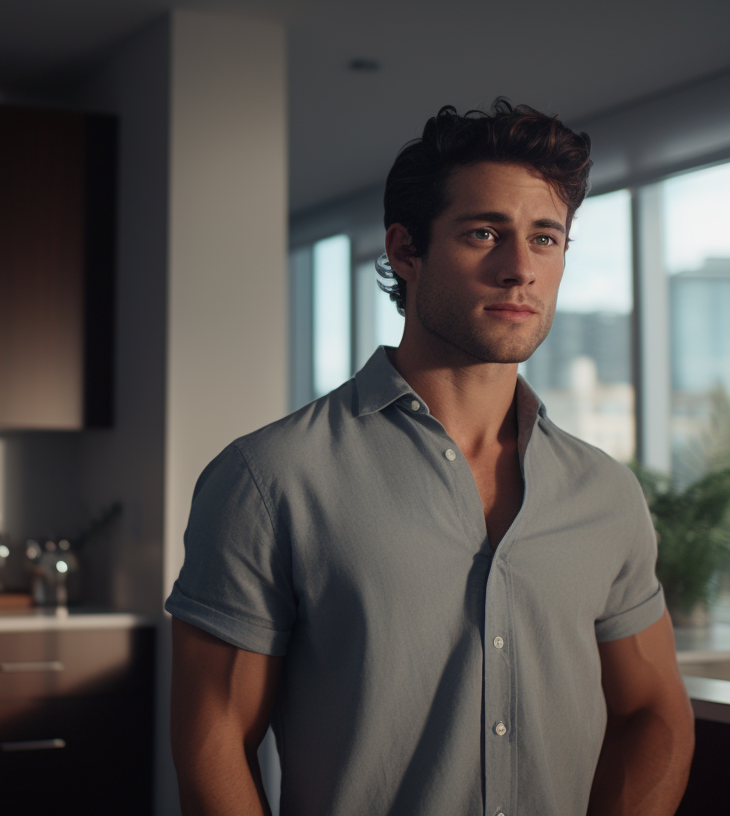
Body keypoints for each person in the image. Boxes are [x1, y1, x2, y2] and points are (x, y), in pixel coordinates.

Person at [166, 99, 694, 816]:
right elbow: (214, 736)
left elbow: (653, 713)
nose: (519, 271)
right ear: (406, 250)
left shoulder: (605, 493)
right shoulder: (270, 478)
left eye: (546, 239)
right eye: (484, 233)